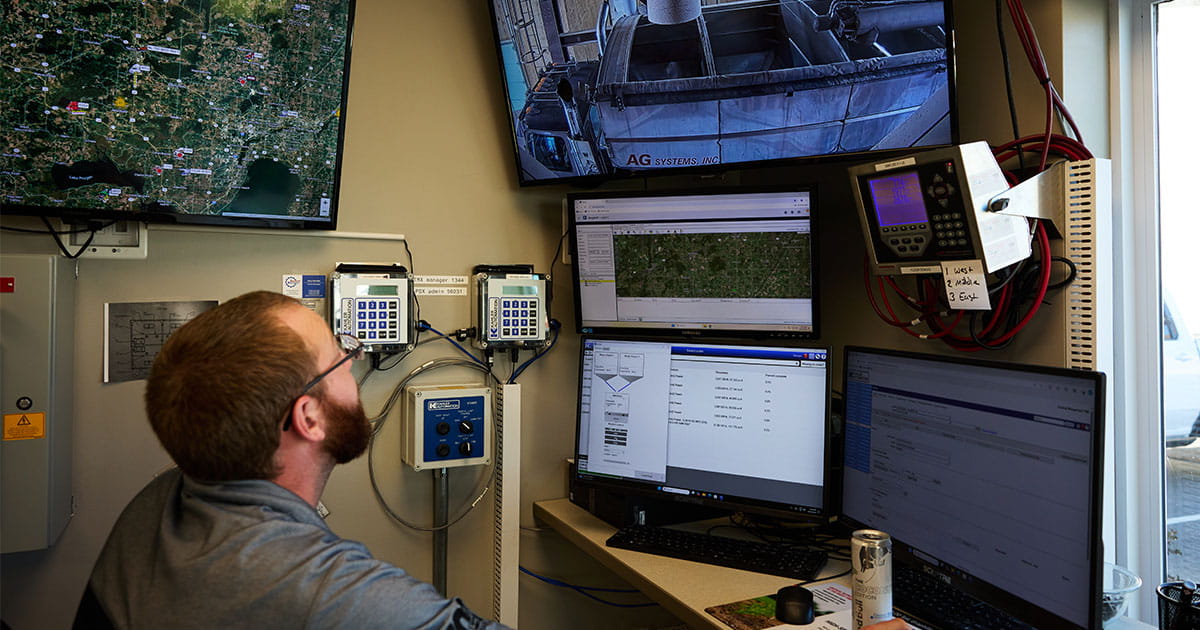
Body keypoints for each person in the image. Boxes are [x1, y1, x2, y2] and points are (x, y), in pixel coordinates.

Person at [77, 291, 510, 629]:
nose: (355, 361)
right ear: (309, 417)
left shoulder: (153, 504)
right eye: (341, 357)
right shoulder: (330, 593)